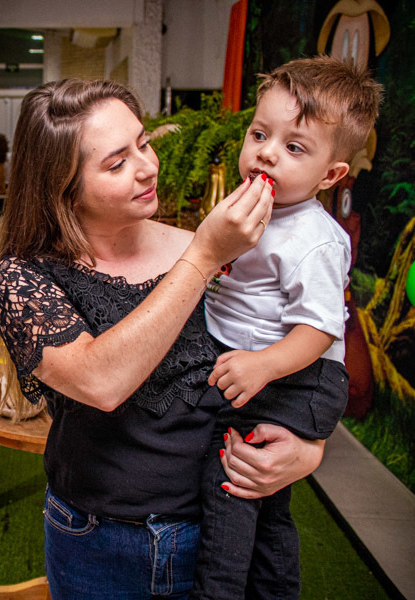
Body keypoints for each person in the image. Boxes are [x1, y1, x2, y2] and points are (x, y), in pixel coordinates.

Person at [0, 78, 326, 599]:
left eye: (143, 143)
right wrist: (204, 259)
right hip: (97, 539)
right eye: (116, 162)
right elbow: (100, 381)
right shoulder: (26, 276)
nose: (148, 167)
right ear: (63, 184)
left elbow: (297, 348)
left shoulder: (203, 245)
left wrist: (309, 445)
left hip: (219, 532)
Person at [192, 57, 383, 599]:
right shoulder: (254, 207)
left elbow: (321, 331)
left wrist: (262, 364)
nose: (267, 152)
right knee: (268, 511)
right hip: (259, 365)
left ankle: (219, 591)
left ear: (330, 175)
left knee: (231, 485)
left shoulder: (314, 238)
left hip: (296, 376)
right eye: (259, 133)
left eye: (294, 147)